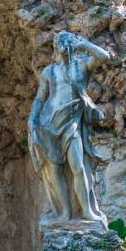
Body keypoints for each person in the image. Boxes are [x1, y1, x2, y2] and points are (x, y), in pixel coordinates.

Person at [28, 30, 111, 228]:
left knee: (78, 166)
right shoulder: (49, 72)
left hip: (72, 123)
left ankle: (88, 211)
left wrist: (85, 45)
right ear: (55, 47)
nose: (64, 46)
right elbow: (40, 98)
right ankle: (64, 212)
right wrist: (32, 119)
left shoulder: (81, 66)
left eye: (67, 42)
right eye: (60, 42)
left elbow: (104, 57)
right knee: (54, 169)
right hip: (49, 122)